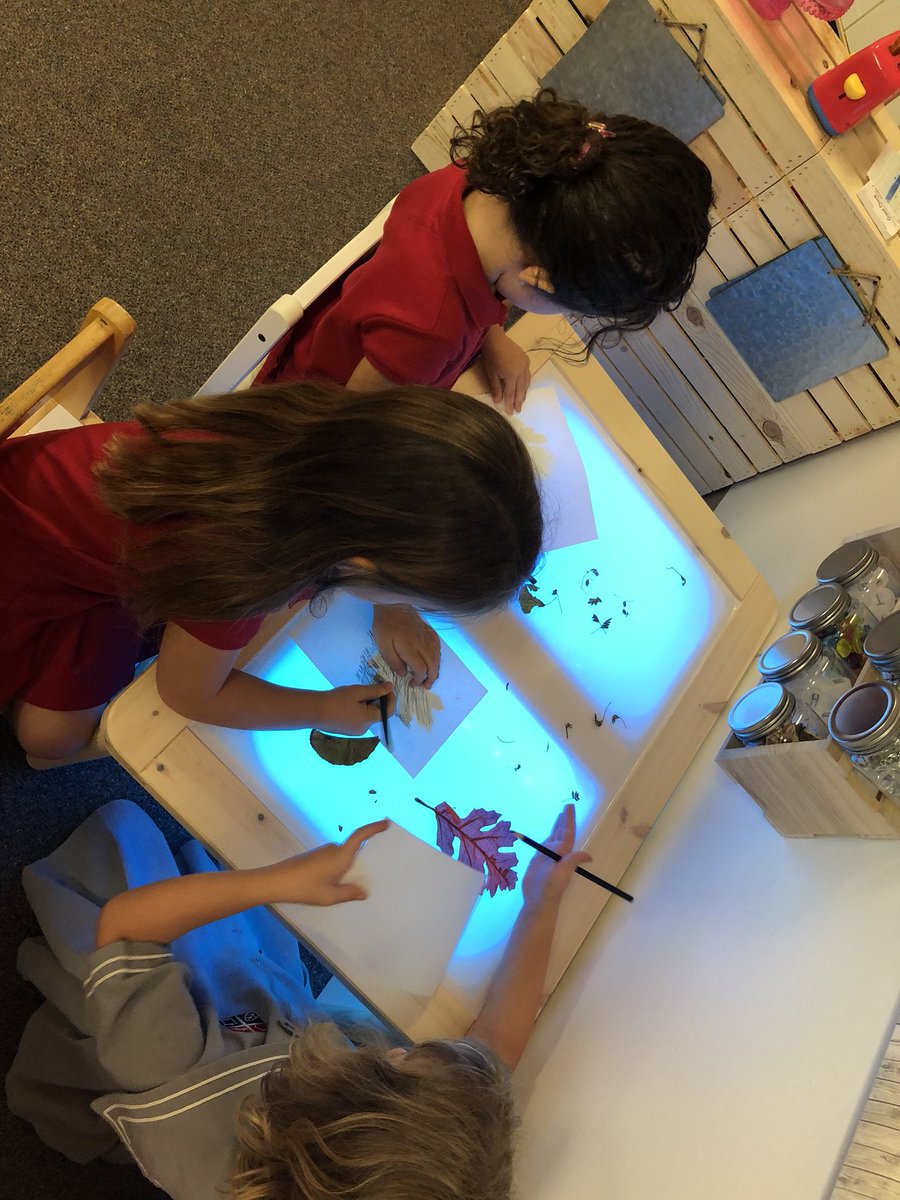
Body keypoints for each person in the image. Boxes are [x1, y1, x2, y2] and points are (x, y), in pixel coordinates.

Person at [6, 801, 591, 1200]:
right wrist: (541, 900)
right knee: (260, 929)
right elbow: (495, 1048)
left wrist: (276, 881)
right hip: (258, 1018)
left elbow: (127, 924)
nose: (396, 1049)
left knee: (123, 828)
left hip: (170, 1016)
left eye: (398, 1061)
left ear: (339, 1101)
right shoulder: (347, 1160)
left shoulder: (165, 1062)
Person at [0, 381, 542, 760]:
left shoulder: (331, 435)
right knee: (51, 739)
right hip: (29, 566)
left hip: (74, 509)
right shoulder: (247, 562)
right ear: (360, 562)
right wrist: (321, 708)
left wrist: (392, 603)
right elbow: (190, 694)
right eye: (413, 593)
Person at [254, 89, 714, 414]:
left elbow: (451, 287)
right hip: (294, 426)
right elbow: (342, 433)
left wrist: (490, 337)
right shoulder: (428, 334)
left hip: (331, 345)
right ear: (538, 280)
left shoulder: (485, 183)